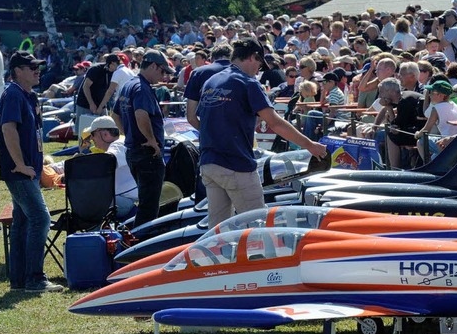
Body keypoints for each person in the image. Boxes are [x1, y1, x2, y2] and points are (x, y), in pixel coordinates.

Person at [196, 38, 327, 226]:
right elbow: (275, 123)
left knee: (218, 231)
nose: (259, 70)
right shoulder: (248, 83)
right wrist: (310, 145)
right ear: (252, 57)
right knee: (259, 228)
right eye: (259, 64)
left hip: (209, 163)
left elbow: (202, 117)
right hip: (235, 163)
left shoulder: (211, 82)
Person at [0, 51, 64, 292]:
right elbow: (8, 129)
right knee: (40, 217)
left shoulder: (28, 95)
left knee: (23, 223)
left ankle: (19, 281)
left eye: (38, 66)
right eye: (31, 66)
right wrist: (19, 163)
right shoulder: (13, 94)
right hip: (20, 170)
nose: (37, 70)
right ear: (17, 71)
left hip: (29, 170)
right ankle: (35, 278)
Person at [112, 49, 174, 228]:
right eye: (162, 71)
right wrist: (151, 140)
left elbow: (115, 114)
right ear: (154, 66)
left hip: (133, 150)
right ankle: (140, 243)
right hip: (147, 153)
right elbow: (141, 114)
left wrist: (128, 133)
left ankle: (136, 238)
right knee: (149, 207)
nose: (163, 76)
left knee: (145, 202)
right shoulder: (142, 88)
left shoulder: (128, 85)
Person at [82, 116, 138, 220]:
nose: (92, 138)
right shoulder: (123, 141)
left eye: (93, 134)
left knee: (90, 202)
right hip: (129, 198)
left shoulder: (117, 145)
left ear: (105, 134)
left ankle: (94, 235)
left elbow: (108, 162)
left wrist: (81, 168)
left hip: (129, 200)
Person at [185, 44, 233, 129]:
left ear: (211, 58)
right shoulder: (244, 73)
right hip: (238, 136)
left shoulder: (198, 72)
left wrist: (205, 132)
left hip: (208, 135)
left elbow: (191, 117)